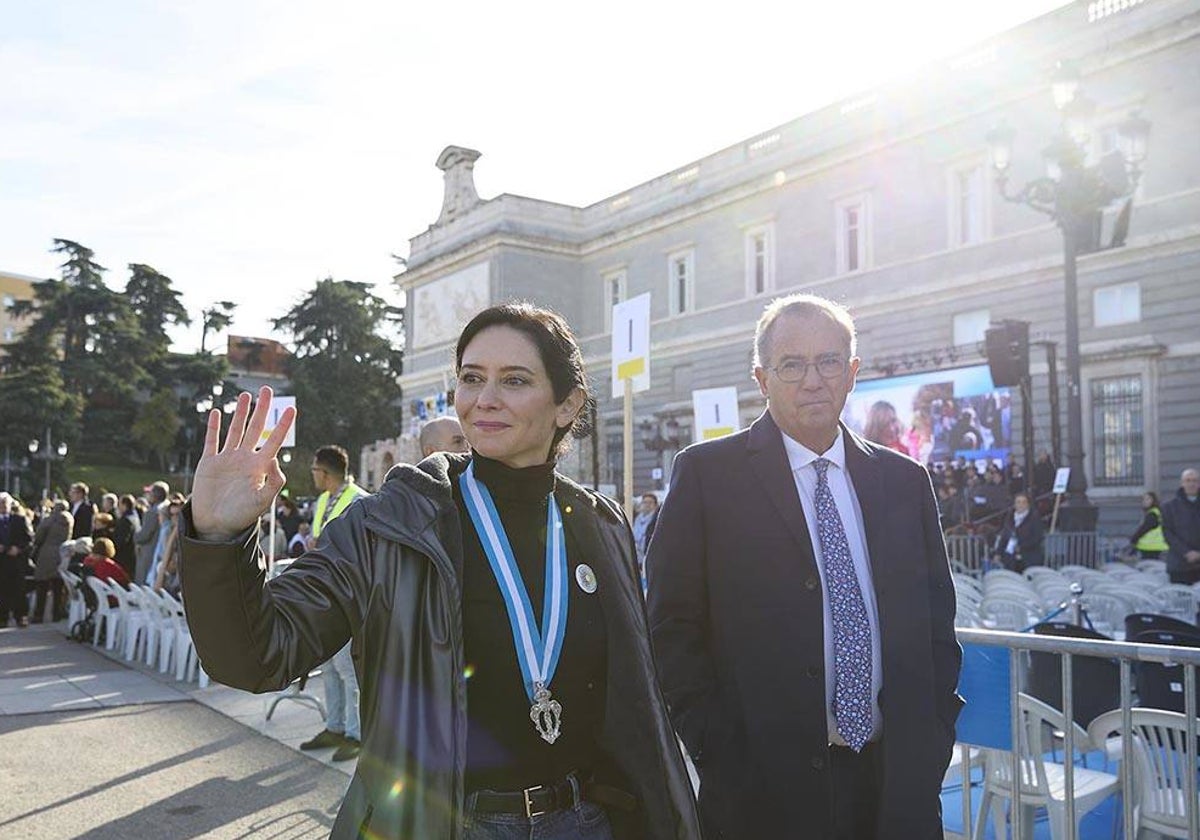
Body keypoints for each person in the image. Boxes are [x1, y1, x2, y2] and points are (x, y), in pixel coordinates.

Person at [181, 303, 700, 840]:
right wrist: (218, 538)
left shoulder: (599, 523)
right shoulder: (392, 523)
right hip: (448, 825)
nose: (484, 399)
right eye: (471, 378)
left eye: (514, 380)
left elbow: (637, 703)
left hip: (587, 821)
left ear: (567, 405)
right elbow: (258, 656)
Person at [647, 293, 961, 840]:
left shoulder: (904, 481)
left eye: (829, 361)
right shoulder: (707, 477)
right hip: (763, 792)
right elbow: (670, 627)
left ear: (852, 372)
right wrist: (718, 750)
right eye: (791, 365)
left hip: (895, 787)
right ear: (762, 379)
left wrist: (932, 740)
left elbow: (938, 624)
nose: (812, 380)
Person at [292, 444, 369, 762]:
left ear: (324, 472)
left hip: (349, 598)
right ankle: (335, 727)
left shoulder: (360, 501)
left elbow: (363, 551)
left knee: (348, 669)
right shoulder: (324, 500)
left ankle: (356, 734)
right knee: (329, 666)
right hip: (324, 595)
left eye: (314, 470)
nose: (312, 475)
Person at [31, 500, 73, 623]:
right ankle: (56, 614)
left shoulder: (49, 519)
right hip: (62, 553)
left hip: (47, 553)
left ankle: (39, 615)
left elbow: (39, 536)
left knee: (42, 585)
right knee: (58, 587)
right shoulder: (69, 520)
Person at [0, 493, 35, 628]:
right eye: (0, 503)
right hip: (2, 561)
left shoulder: (20, 520)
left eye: (5, 503)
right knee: (2, 590)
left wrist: (19, 549)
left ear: (10, 505)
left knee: (19, 589)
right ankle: (2, 618)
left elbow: (29, 540)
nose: (3, 506)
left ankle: (21, 616)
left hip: (16, 561)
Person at [1162, 468, 1200, 584]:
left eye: (1195, 480)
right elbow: (1167, 533)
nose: (1191, 484)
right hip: (1179, 566)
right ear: (1182, 483)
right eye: (1188, 480)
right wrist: (1186, 552)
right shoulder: (1169, 506)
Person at [992, 492, 1045, 572]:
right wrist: (998, 553)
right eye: (1018, 502)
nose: (1021, 505)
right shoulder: (1009, 518)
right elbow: (1004, 537)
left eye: (1024, 502)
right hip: (1011, 559)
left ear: (1028, 505)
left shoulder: (1035, 519)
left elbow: (1037, 538)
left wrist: (1021, 546)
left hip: (1029, 559)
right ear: (1014, 504)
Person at [134, 481, 169, 584]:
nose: (147, 496)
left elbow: (143, 536)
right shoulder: (166, 507)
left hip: (149, 554)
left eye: (149, 493)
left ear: (154, 495)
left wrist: (135, 535)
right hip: (161, 552)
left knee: (143, 584)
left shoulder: (152, 512)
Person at [1129, 491, 1169, 560]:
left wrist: (1134, 539)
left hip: (1149, 546)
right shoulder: (1158, 512)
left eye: (1148, 499)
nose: (1145, 501)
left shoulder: (1152, 514)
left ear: (1153, 500)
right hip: (1156, 546)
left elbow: (1143, 529)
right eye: (1144, 499)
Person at [112, 495, 141, 580]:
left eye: (119, 504)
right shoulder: (135, 517)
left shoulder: (126, 520)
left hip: (124, 557)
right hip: (131, 555)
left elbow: (121, 540)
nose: (118, 507)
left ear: (124, 505)